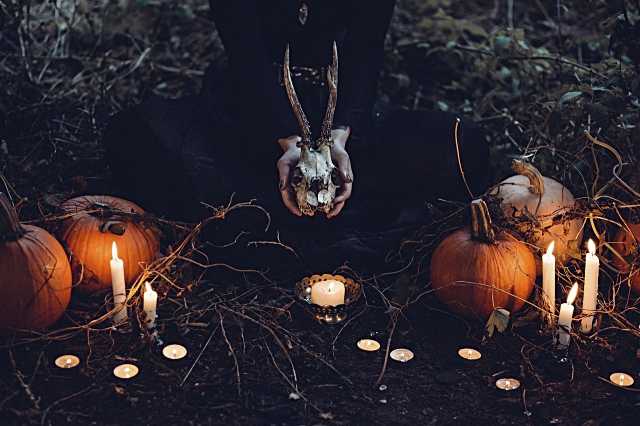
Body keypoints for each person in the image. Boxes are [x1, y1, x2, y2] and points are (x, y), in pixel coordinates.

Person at [104, 0, 489, 229]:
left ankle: (280, 210)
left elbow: (366, 52)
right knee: (135, 137)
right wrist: (288, 139)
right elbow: (246, 56)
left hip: (345, 119)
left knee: (463, 145)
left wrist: (340, 136)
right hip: (250, 113)